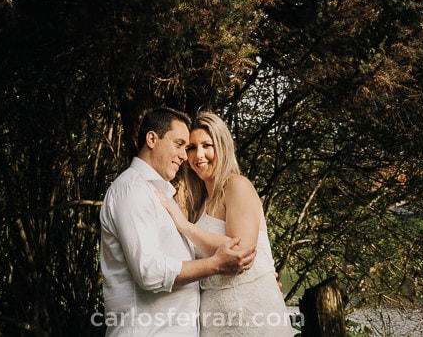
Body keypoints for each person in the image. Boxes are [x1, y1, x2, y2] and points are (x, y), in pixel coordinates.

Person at [99, 106, 256, 332]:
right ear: (152, 139)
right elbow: (149, 272)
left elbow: (190, 263)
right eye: (180, 145)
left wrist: (256, 276)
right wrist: (214, 265)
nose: (185, 156)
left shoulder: (162, 195)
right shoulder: (132, 190)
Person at [151, 109, 293, 331]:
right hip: (214, 320)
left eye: (207, 146)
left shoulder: (237, 185)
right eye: (191, 148)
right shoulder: (200, 205)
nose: (198, 156)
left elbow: (242, 250)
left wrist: (184, 226)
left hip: (251, 316)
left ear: (223, 146)